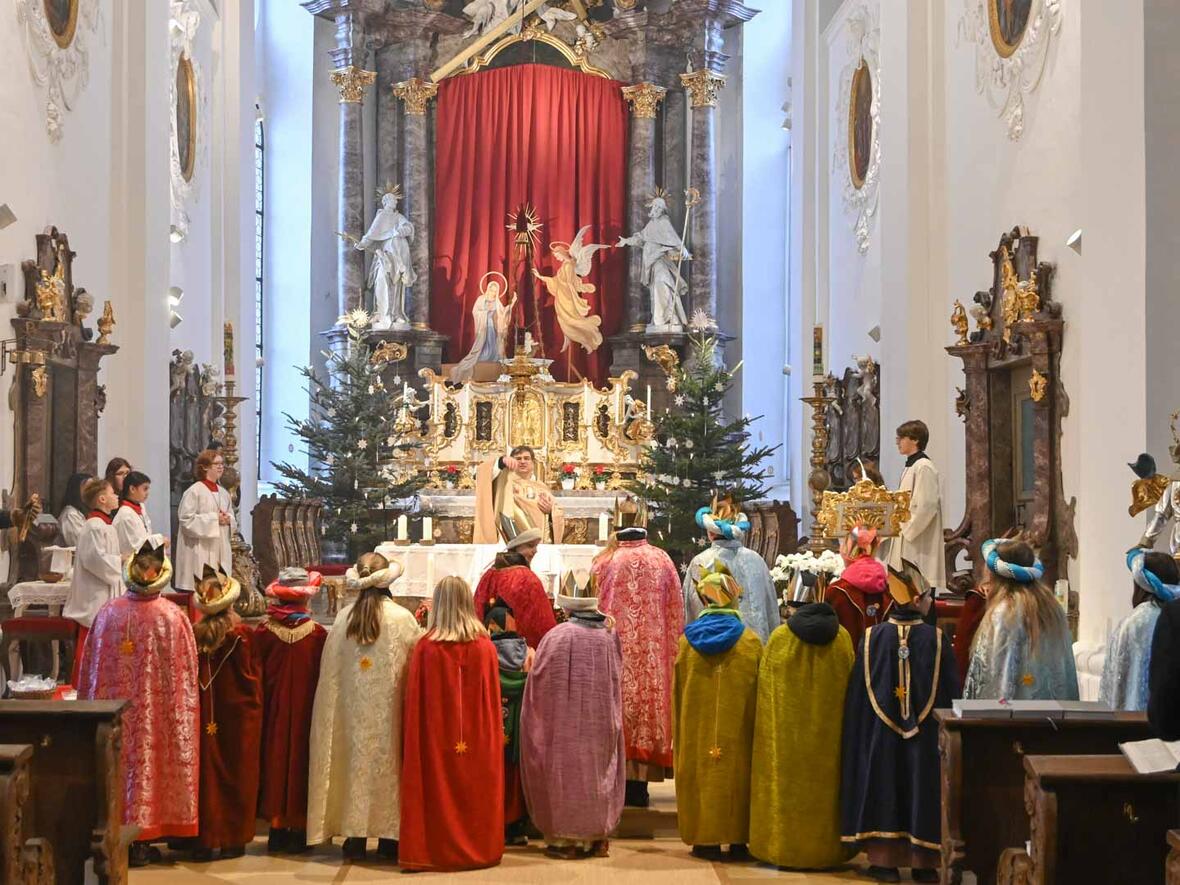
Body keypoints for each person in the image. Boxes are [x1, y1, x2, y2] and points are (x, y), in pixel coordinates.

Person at [76, 540, 198, 867]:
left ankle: (114, 831)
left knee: (120, 764)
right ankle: (144, 836)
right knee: (149, 765)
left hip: (112, 717)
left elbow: (89, 672)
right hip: (155, 718)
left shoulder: (108, 613)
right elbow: (186, 680)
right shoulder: (172, 617)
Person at [840, 567, 959, 883]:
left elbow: (858, 699)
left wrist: (860, 737)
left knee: (884, 783)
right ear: (919, 599)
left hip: (881, 736)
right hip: (926, 736)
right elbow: (952, 692)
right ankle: (924, 863)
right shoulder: (937, 639)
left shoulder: (870, 638)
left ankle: (884, 861)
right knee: (922, 786)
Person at [307, 553, 420, 862]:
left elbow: (331, 680)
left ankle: (353, 837)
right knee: (388, 764)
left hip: (351, 718)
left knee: (352, 762)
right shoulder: (402, 619)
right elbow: (416, 671)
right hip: (388, 718)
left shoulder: (343, 619)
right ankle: (389, 837)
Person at [400, 576, 503, 872]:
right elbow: (493, 703)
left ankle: (436, 849)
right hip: (478, 737)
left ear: (439, 604)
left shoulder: (426, 647)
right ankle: (479, 847)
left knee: (439, 790)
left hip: (436, 738)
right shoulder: (484, 646)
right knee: (475, 788)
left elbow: (416, 704)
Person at [520, 570, 624, 859]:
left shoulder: (558, 635)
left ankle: (567, 840)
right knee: (596, 773)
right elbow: (617, 676)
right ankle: (595, 838)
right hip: (599, 720)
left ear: (567, 606)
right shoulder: (608, 634)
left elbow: (539, 682)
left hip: (564, 728)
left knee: (567, 776)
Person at [750, 601, 855, 870]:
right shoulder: (842, 639)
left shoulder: (779, 639)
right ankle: (826, 849)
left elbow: (766, 697)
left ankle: (782, 846)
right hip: (828, 743)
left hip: (787, 742)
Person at [593, 497, 682, 808]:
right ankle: (639, 787)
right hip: (653, 658)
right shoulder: (662, 559)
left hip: (614, 653)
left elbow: (594, 609)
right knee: (645, 713)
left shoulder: (605, 562)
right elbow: (675, 612)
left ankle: (614, 786)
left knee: (619, 711)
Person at [674, 560, 763, 862]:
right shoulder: (751, 643)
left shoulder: (687, 643)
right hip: (738, 730)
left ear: (704, 599)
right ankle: (739, 839)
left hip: (697, 729)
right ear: (733, 598)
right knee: (737, 770)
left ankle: (705, 839)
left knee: (700, 769)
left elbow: (678, 693)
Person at [191, 565, 262, 861]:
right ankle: (232, 839)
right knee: (236, 772)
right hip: (237, 715)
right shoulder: (242, 634)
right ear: (231, 601)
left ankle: (203, 839)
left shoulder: (192, 633)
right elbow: (252, 677)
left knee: (204, 770)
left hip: (202, 712)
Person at [255, 567, 328, 854]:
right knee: (300, 763)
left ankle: (275, 828)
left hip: (272, 714)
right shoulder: (317, 634)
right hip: (305, 715)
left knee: (274, 762)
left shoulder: (263, 632)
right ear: (305, 601)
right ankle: (299, 829)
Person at [963, 539, 1079, 701]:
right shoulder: (1053, 609)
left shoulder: (1003, 613)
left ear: (993, 574)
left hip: (1014, 719)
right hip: (1052, 718)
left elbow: (992, 678)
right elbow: (1065, 675)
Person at [683, 494, 780, 642]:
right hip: (752, 648)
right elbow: (770, 609)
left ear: (710, 531)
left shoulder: (700, 562)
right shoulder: (756, 561)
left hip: (710, 647)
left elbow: (691, 610)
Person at [1100, 550, 1180, 711]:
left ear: (1140, 584)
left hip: (1134, 723)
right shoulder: (1174, 617)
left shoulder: (1133, 622)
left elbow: (1116, 680)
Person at [483, 598, 534, 846]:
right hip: (521, 724)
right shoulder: (529, 654)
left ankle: (493, 825)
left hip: (492, 724)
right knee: (517, 775)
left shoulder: (484, 652)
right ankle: (516, 827)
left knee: (493, 772)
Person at [63, 478, 123, 685]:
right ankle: (86, 686)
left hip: (106, 591)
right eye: (113, 493)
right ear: (102, 499)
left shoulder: (105, 525)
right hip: (95, 595)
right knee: (92, 642)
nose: (117, 496)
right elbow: (93, 559)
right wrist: (120, 560)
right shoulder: (94, 526)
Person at [886, 420, 946, 593]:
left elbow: (926, 506)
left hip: (917, 544)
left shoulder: (924, 467)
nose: (897, 441)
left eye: (901, 437)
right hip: (906, 537)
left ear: (915, 440)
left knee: (919, 594)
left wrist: (905, 528)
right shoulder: (912, 466)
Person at [472, 527, 557, 649]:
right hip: (519, 655)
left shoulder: (490, 573)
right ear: (516, 546)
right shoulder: (527, 578)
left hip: (488, 648)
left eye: (536, 546)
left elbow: (477, 611)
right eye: (530, 545)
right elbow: (543, 624)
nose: (535, 551)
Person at [475, 445, 564, 544]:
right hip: (510, 540)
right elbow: (481, 475)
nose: (522, 461)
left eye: (526, 458)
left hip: (538, 543)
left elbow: (557, 513)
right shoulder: (503, 482)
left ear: (533, 463)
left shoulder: (542, 487)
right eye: (518, 459)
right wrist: (501, 462)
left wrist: (551, 512)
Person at [175, 449, 235, 592]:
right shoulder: (194, 491)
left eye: (222, 463)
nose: (221, 467)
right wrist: (214, 519)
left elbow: (232, 516)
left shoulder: (224, 493)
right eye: (216, 464)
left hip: (219, 547)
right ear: (205, 467)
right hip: (199, 549)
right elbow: (186, 521)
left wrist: (229, 520)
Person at [824, 524, 891, 650]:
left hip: (848, 663)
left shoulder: (835, 591)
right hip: (882, 663)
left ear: (846, 550)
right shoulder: (891, 588)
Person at [450, 272, 516, 384]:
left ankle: (493, 356)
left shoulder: (497, 302)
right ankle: (483, 356)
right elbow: (475, 312)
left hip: (493, 327)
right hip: (483, 326)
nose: (493, 293)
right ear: (488, 289)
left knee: (493, 342)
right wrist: (486, 312)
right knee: (483, 343)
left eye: (495, 291)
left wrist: (512, 303)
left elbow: (503, 314)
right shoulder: (481, 299)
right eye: (492, 290)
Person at [113, 470, 162, 556]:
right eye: (145, 489)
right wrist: (159, 540)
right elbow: (134, 546)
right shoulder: (125, 514)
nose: (147, 493)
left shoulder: (141, 507)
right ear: (132, 489)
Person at [57, 471, 90, 545]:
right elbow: (80, 544)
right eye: (89, 488)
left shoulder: (89, 511)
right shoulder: (70, 514)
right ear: (77, 490)